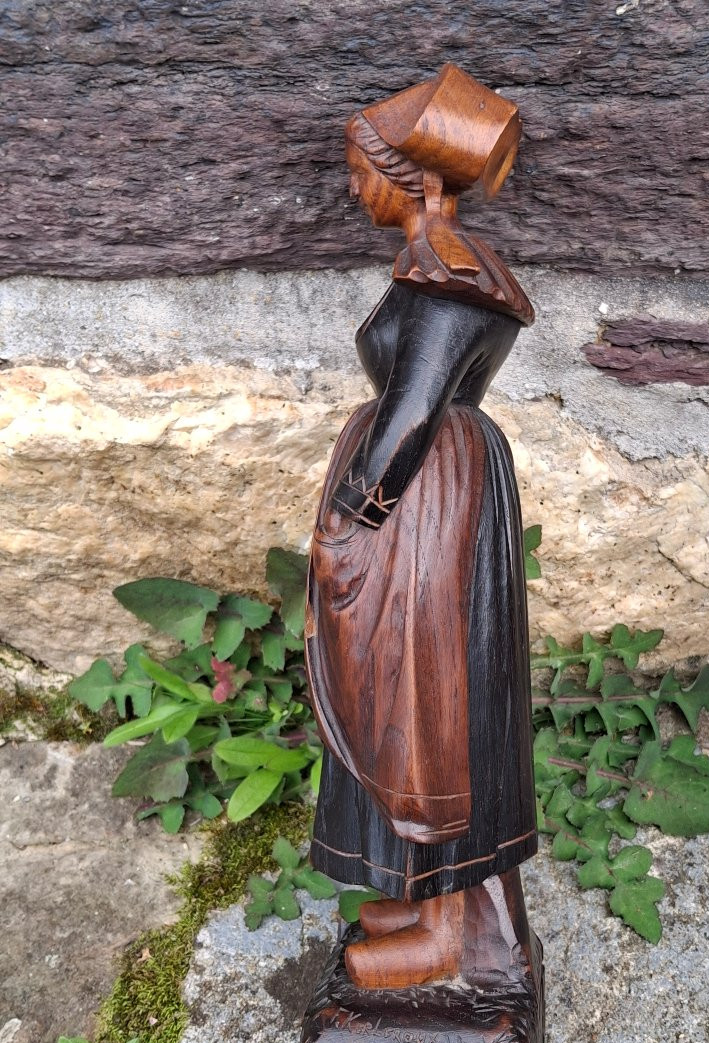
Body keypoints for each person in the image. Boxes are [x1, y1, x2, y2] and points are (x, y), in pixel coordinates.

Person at [305, 65, 538, 991]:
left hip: (421, 504)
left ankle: (463, 939)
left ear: (412, 181)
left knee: (432, 706)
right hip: (433, 496)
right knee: (417, 702)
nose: (351, 186)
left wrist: (353, 519)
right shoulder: (440, 270)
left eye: (357, 168)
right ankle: (425, 891)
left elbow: (410, 414)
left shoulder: (443, 277)